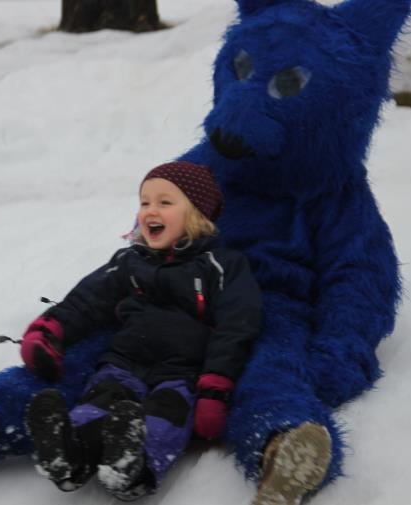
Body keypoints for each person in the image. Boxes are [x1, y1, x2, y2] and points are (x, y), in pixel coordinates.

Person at [21, 162, 263, 500]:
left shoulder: (221, 265)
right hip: (123, 360)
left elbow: (238, 324)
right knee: (102, 398)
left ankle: (135, 467)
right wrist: (49, 329)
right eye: (145, 202)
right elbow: (89, 299)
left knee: (167, 410)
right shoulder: (129, 260)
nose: (151, 210)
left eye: (165, 203)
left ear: (196, 213)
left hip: (182, 372)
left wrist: (215, 388)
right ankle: (70, 455)